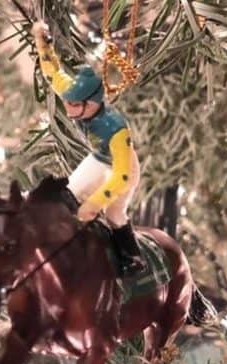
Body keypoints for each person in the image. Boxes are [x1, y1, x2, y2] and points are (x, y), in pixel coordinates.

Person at [32, 22, 146, 277]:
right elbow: (52, 73)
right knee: (68, 195)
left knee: (114, 213)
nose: (69, 110)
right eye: (67, 104)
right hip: (99, 158)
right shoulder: (74, 96)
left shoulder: (115, 127)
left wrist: (96, 202)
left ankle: (132, 257)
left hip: (124, 167)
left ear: (92, 102)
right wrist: (42, 42)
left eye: (74, 106)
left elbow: (121, 176)